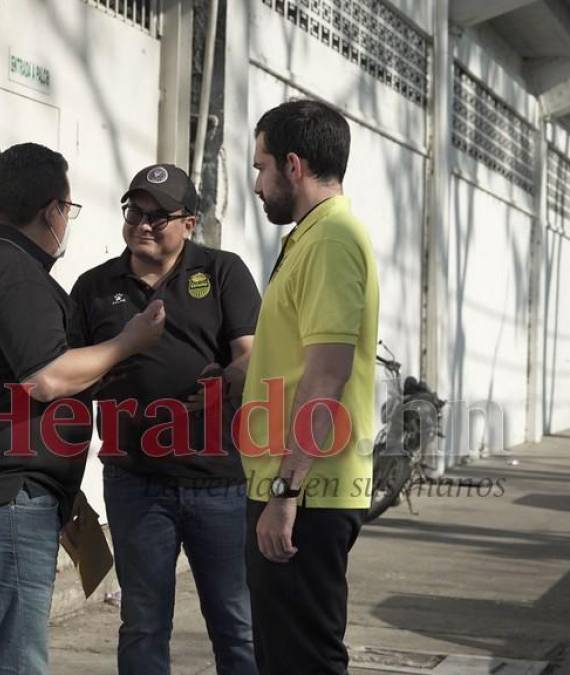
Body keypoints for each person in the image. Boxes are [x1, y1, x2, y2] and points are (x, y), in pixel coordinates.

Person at [0, 142, 165, 674]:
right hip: (0, 503)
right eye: (68, 211)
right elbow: (46, 376)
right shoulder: (13, 272)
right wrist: (129, 342)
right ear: (52, 210)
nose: (66, 223)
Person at [69, 164, 260, 674]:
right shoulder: (94, 286)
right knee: (143, 623)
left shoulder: (223, 272)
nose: (144, 223)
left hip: (217, 481)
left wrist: (224, 384)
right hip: (135, 481)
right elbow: (71, 379)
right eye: (135, 211)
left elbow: (252, 355)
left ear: (190, 224)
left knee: (235, 623)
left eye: (160, 215)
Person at [239, 99, 380, 674]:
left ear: (292, 166)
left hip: (306, 490)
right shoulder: (310, 237)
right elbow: (300, 359)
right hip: (294, 484)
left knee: (303, 661)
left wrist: (285, 495)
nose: (257, 183)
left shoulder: (329, 241)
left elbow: (326, 374)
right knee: (281, 656)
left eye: (261, 166)